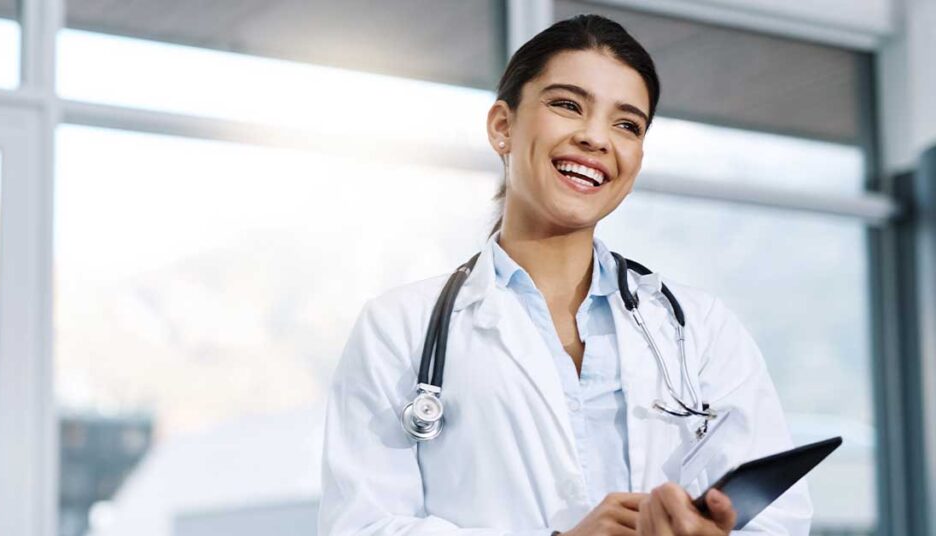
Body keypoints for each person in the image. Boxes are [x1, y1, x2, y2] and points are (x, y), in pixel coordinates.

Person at [318, 14, 811, 536]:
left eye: (627, 124)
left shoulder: (701, 329)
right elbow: (361, 525)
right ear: (503, 127)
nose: (597, 138)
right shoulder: (400, 328)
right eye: (567, 105)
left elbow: (777, 520)